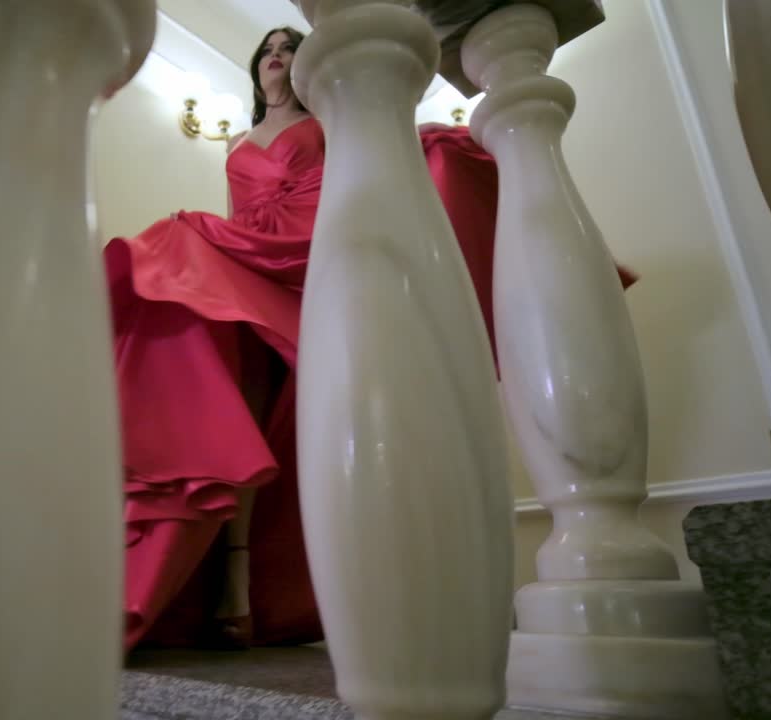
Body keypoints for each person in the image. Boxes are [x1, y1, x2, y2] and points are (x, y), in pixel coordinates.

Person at [106, 26, 635, 652]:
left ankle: (344, 583)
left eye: (287, 49)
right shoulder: (236, 142)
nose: (276, 57)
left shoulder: (326, 119)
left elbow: (363, 170)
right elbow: (235, 215)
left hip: (312, 243)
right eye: (267, 51)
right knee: (233, 390)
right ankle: (229, 577)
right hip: (251, 254)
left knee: (322, 397)